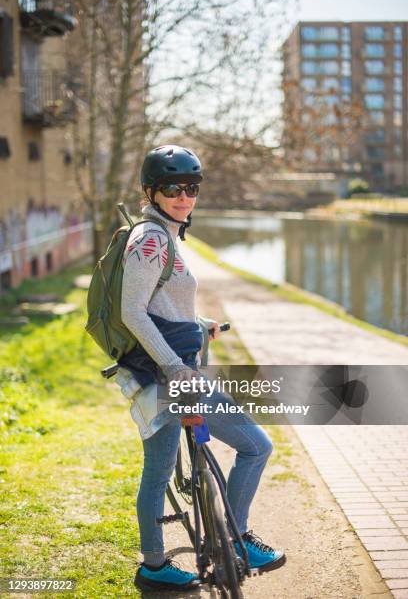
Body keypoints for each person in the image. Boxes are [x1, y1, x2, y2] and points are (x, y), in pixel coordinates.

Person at [120, 145, 286, 592]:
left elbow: (160, 304)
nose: (184, 196)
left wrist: (199, 323)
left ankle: (154, 566)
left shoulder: (163, 235)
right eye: (172, 188)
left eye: (191, 187)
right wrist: (175, 366)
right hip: (172, 376)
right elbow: (131, 312)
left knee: (156, 473)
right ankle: (236, 539)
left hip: (160, 373)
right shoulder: (151, 239)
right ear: (151, 191)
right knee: (256, 446)